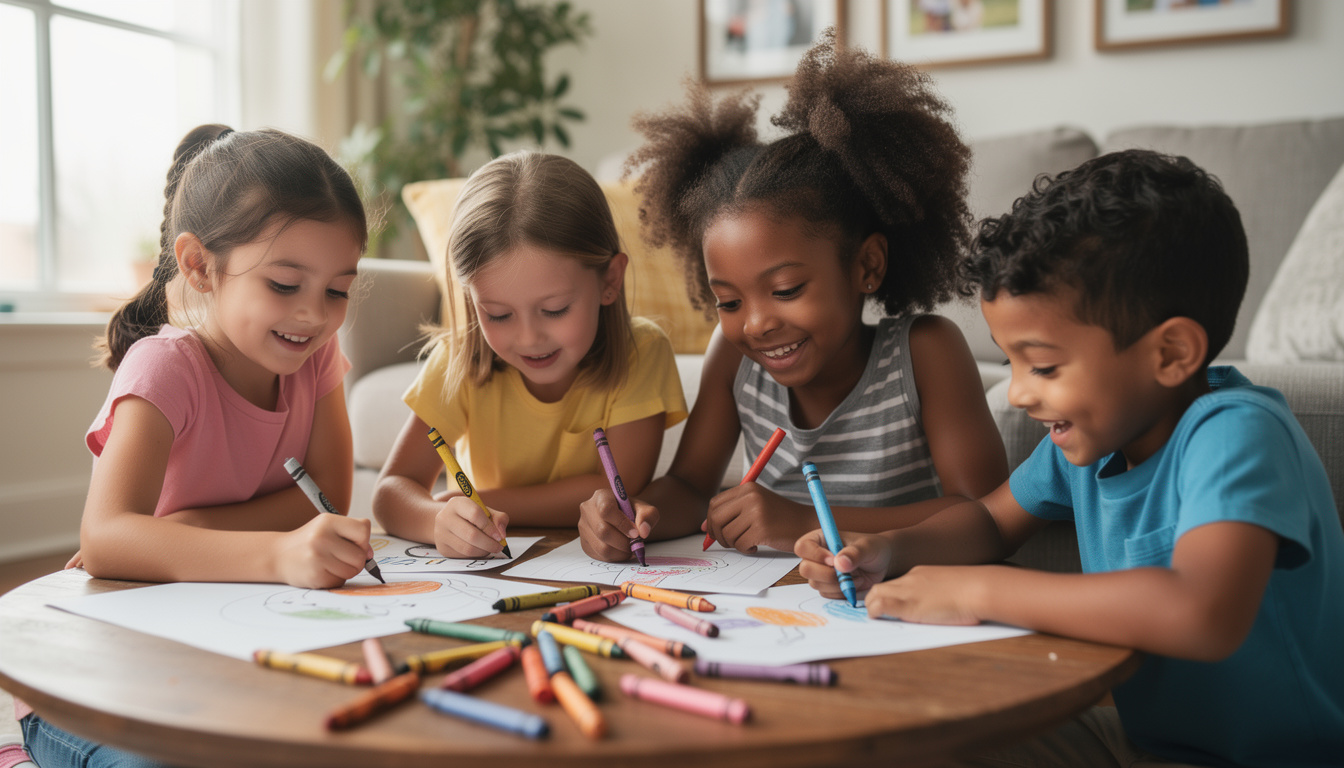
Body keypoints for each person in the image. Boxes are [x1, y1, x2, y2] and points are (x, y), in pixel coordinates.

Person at [797, 149, 1344, 767]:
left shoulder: (1236, 434)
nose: (1022, 391)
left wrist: (978, 590)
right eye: (1013, 364)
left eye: (1046, 366)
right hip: (1140, 744)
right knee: (918, 744)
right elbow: (989, 522)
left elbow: (1202, 611)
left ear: (1170, 354)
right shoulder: (1089, 443)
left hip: (1280, 757)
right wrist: (893, 548)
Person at [578, 31, 1008, 561]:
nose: (755, 324)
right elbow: (691, 487)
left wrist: (806, 519)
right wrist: (634, 516)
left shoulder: (924, 354)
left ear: (866, 266)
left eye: (785, 290)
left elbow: (983, 511)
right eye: (730, 302)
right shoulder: (735, 358)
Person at [16, 125, 370, 768]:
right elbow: (104, 540)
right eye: (285, 285)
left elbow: (325, 497)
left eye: (337, 291)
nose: (315, 317)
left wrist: (177, 531)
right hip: (103, 676)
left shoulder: (316, 360)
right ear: (201, 266)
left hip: (219, 640)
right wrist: (277, 553)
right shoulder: (164, 368)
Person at [372, 151, 687, 559]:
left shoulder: (642, 352)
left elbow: (616, 488)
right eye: (498, 314)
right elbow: (390, 490)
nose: (528, 338)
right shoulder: (459, 360)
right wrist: (435, 520)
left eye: (554, 310)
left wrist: (473, 500)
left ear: (610, 280)